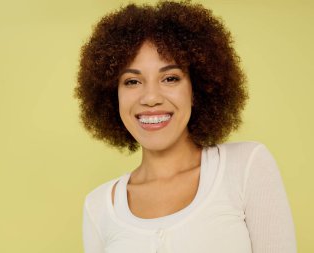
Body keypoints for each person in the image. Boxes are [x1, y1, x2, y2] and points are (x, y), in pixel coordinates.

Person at [75, 1, 296, 252]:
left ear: (196, 88)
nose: (150, 98)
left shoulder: (245, 168)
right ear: (112, 95)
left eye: (170, 78)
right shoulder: (100, 207)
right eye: (132, 81)